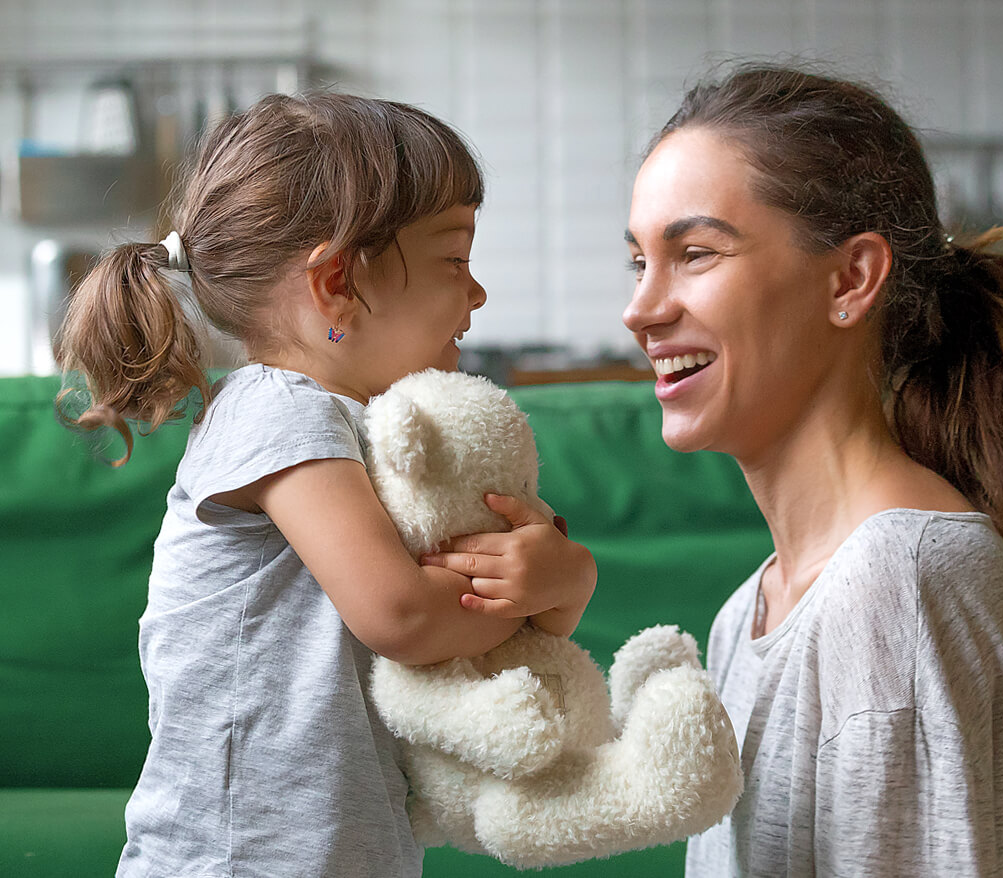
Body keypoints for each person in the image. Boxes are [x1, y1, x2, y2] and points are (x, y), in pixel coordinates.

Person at [55, 92, 597, 878]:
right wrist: (552, 582)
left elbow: (470, 616)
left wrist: (557, 581)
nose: (476, 294)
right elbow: (405, 615)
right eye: (455, 259)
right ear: (338, 281)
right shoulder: (278, 411)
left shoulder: (360, 429)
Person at [622, 62, 1003, 877]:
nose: (642, 309)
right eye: (639, 263)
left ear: (851, 279)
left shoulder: (896, 584)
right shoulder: (745, 616)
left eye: (695, 253)